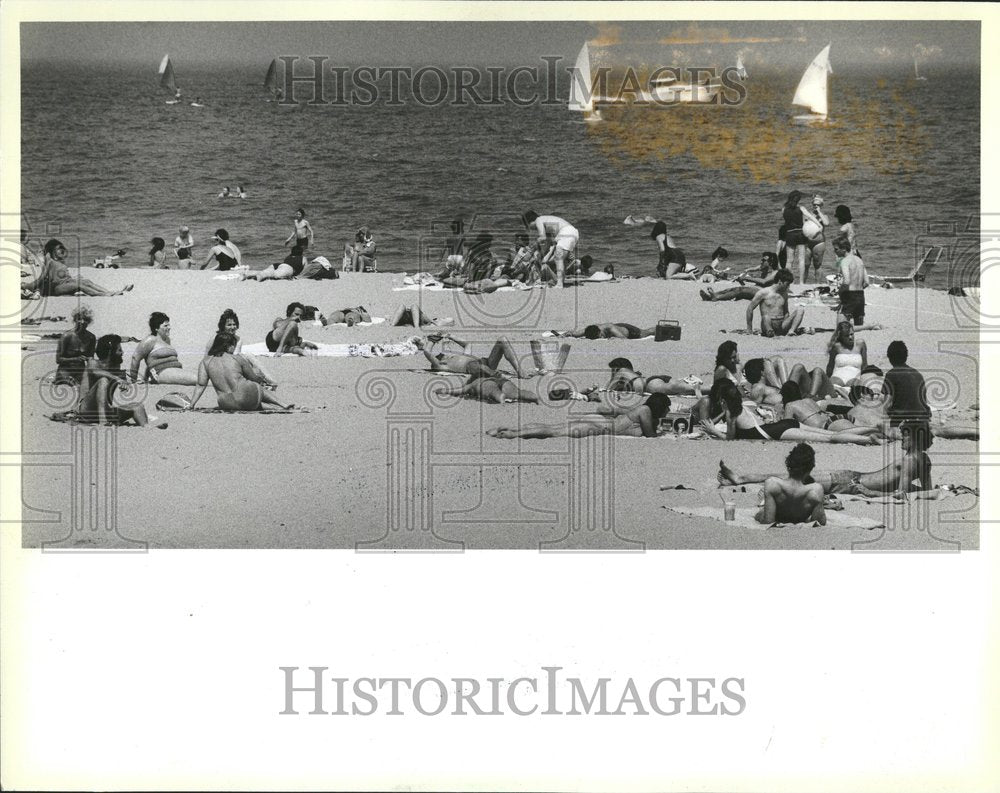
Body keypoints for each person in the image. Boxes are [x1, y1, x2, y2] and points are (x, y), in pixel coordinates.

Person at [719, 419, 935, 499]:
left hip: (851, 483)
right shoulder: (924, 460)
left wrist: (871, 492)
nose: (901, 439)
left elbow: (901, 494)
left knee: (794, 477)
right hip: (851, 478)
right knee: (796, 477)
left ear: (915, 438)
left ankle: (741, 478)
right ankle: (741, 478)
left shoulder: (909, 460)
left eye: (905, 435)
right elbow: (927, 489)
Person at [697, 380, 877, 445]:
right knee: (832, 433)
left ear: (723, 400)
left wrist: (713, 431)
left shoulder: (731, 413)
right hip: (781, 425)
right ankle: (872, 430)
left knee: (831, 439)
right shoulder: (745, 405)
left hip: (778, 431)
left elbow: (730, 439)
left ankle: (868, 439)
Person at [77, 335, 167, 429]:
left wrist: (124, 384)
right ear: (110, 352)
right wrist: (117, 378)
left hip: (105, 410)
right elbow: (95, 372)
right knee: (103, 381)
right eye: (119, 350)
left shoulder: (115, 367)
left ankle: (147, 426)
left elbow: (121, 384)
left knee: (137, 406)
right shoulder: (93, 362)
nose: (122, 353)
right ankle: (103, 422)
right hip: (86, 411)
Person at [488, 393, 673, 439]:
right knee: (555, 433)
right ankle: (513, 434)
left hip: (601, 422)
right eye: (667, 408)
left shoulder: (642, 409)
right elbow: (650, 436)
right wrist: (664, 432)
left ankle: (506, 429)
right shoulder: (646, 411)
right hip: (601, 427)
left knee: (554, 427)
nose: (668, 412)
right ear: (660, 406)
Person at [189, 332, 293, 412]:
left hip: (227, 403)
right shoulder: (237, 358)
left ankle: (275, 408)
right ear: (228, 346)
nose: (234, 349)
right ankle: (282, 404)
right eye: (233, 346)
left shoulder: (205, 361)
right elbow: (253, 378)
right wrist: (261, 379)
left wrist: (192, 404)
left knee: (240, 400)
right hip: (249, 395)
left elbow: (200, 385)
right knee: (253, 387)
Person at [30, 239, 133, 297]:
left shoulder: (58, 261)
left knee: (86, 281)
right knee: (79, 285)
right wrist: (27, 286)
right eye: (57, 249)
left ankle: (109, 291)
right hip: (57, 288)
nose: (60, 251)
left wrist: (74, 277)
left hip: (65, 283)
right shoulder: (49, 261)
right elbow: (42, 278)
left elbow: (62, 275)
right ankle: (101, 294)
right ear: (51, 251)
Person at [754, 443, 827, 525]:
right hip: (800, 518)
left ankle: (762, 504)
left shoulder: (772, 484)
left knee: (760, 509)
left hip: (779, 516)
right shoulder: (816, 490)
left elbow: (768, 521)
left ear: (788, 465)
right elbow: (819, 522)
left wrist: (760, 512)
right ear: (810, 469)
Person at [778, 381, 879, 435]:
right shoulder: (808, 400)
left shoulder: (790, 405)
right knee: (870, 429)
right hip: (834, 418)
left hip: (827, 425)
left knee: (867, 432)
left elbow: (787, 426)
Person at [415, 334, 534, 378]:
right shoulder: (442, 366)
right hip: (474, 367)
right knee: (476, 366)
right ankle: (495, 376)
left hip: (486, 362)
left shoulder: (459, 358)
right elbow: (427, 351)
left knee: (502, 340)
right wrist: (433, 338)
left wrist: (450, 336)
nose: (443, 354)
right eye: (441, 355)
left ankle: (519, 370)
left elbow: (467, 344)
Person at [129, 312, 199, 386]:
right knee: (199, 380)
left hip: (174, 370)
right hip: (160, 372)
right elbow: (135, 358)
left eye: (169, 325)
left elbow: (152, 361)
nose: (169, 327)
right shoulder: (150, 340)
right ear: (156, 328)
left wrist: (145, 378)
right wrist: (134, 380)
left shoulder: (167, 340)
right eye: (165, 325)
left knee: (202, 377)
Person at [522, 210, 579, 288]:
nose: (532, 229)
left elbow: (542, 237)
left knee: (558, 257)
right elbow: (548, 243)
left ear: (530, 221)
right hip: (571, 233)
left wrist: (533, 247)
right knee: (561, 258)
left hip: (566, 232)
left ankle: (559, 284)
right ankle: (560, 281)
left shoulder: (538, 220)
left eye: (528, 226)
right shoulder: (546, 223)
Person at [882, 341, 930, 426]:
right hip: (923, 419)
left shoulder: (891, 374)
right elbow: (923, 399)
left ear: (889, 358)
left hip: (902, 420)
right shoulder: (917, 373)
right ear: (906, 356)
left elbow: (887, 404)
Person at [746, 269, 805, 336]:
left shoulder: (784, 294)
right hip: (767, 323)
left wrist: (787, 323)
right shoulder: (763, 292)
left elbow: (786, 312)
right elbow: (750, 309)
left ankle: (791, 331)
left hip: (781, 324)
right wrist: (749, 328)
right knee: (766, 316)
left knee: (800, 309)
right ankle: (769, 331)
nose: (788, 287)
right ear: (780, 281)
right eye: (787, 284)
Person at [605, 357, 703, 397]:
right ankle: (711, 387)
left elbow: (609, 388)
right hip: (654, 380)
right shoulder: (631, 374)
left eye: (612, 370)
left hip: (650, 385)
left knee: (678, 389)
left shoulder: (621, 372)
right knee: (681, 388)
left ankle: (697, 387)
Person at [54, 306, 97, 387]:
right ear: (75, 320)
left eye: (86, 320)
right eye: (80, 319)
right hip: (65, 370)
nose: (83, 322)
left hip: (80, 371)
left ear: (89, 322)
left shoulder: (91, 337)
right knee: (71, 383)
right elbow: (58, 359)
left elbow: (91, 358)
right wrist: (75, 359)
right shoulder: (66, 336)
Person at [833, 234, 870, 327]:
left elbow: (846, 281)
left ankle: (871, 326)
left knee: (841, 326)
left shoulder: (845, 261)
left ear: (844, 249)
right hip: (860, 295)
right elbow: (867, 282)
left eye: (836, 249)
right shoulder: (859, 260)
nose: (835, 252)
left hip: (850, 296)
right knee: (858, 326)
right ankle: (869, 327)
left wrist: (840, 293)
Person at [435, 373, 540, 404]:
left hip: (486, 384)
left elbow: (458, 390)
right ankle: (534, 397)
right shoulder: (483, 378)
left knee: (494, 392)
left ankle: (500, 397)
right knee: (518, 392)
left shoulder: (473, 383)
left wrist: (443, 391)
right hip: (500, 380)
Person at [826, 321, 867, 385]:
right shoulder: (837, 346)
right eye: (846, 336)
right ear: (841, 336)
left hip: (854, 379)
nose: (850, 337)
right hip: (837, 377)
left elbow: (864, 366)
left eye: (851, 334)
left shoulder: (860, 344)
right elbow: (830, 366)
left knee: (854, 385)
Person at [562, 322, 656, 340]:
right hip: (619, 326)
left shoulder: (609, 327)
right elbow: (575, 334)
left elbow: (623, 338)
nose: (601, 338)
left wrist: (616, 338)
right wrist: (567, 334)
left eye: (601, 336)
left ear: (599, 331)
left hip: (629, 330)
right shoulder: (589, 330)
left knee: (646, 332)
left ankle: (660, 328)